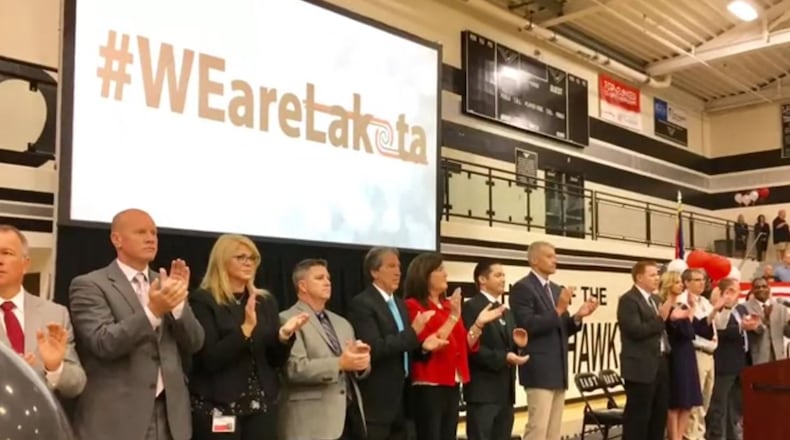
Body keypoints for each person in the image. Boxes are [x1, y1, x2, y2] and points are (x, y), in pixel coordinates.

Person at [68, 208, 205, 440]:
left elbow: (195, 342)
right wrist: (153, 312)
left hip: (170, 416)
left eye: (154, 233)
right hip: (118, 418)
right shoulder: (89, 285)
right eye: (141, 232)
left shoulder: (165, 283)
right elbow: (103, 343)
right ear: (117, 239)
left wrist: (178, 305)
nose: (151, 238)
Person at [188, 234, 310, 440]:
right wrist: (245, 329)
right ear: (222, 261)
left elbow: (275, 361)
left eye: (252, 258)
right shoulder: (203, 301)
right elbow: (210, 359)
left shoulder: (264, 301)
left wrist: (284, 336)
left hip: (262, 407)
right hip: (218, 407)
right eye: (240, 257)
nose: (248, 263)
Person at [403, 252, 505, 440]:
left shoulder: (448, 306)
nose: (446, 274)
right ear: (424, 274)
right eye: (440, 269)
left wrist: (478, 324)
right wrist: (453, 317)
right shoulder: (413, 305)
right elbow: (431, 342)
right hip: (429, 383)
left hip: (452, 382)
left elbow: (464, 344)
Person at [348, 247, 445, 440]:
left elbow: (405, 347)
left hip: (404, 400)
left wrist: (424, 348)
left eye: (399, 267)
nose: (398, 272)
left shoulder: (400, 304)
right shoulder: (362, 303)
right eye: (391, 266)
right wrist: (413, 333)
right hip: (378, 401)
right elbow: (374, 348)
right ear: (374, 272)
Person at [509, 241, 598, 440]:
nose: (554, 260)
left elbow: (562, 328)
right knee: (538, 428)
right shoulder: (523, 288)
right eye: (549, 256)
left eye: (555, 256)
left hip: (559, 368)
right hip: (539, 368)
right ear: (534, 260)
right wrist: (558, 310)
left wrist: (578, 317)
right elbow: (527, 326)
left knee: (554, 431)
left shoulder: (556, 289)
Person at [279, 258, 370, 440]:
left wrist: (361, 362)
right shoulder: (287, 319)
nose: (327, 282)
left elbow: (354, 369)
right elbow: (294, 369)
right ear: (302, 286)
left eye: (328, 278)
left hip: (349, 417)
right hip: (312, 422)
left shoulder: (342, 323)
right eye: (319, 278)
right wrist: (339, 364)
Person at [0, 224, 86, 398]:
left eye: (6, 253)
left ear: (25, 264)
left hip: (38, 413)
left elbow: (76, 385)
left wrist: (55, 367)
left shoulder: (55, 314)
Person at [462, 260, 529, 440]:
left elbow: (510, 347)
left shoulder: (506, 311)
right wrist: (504, 357)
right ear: (482, 279)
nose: (503, 279)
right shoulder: (471, 307)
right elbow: (472, 348)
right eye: (498, 275)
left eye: (504, 275)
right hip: (482, 392)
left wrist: (519, 346)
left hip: (505, 393)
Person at [617, 260, 672, 440]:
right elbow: (635, 331)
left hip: (660, 363)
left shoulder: (656, 300)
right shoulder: (629, 300)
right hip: (640, 367)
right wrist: (660, 320)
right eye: (652, 275)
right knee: (638, 418)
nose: (657, 278)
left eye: (658, 274)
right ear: (639, 277)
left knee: (659, 416)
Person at [706, 278, 758, 440]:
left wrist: (752, 325)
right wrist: (740, 327)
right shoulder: (718, 308)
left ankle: (732, 436)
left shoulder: (741, 309)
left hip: (740, 363)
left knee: (735, 405)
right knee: (719, 405)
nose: (737, 294)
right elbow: (718, 332)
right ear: (724, 292)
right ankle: (717, 436)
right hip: (724, 363)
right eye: (733, 291)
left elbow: (745, 328)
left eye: (738, 291)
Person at [660, 271, 701, 440]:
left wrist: (691, 307)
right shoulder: (666, 307)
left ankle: (680, 435)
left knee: (688, 402)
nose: (681, 285)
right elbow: (670, 326)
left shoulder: (681, 307)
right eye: (677, 282)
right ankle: (674, 437)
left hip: (687, 353)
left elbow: (690, 331)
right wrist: (680, 314)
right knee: (676, 402)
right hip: (675, 356)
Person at [681, 268, 720, 440]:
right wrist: (714, 310)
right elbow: (699, 328)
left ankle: (699, 434)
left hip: (710, 354)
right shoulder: (685, 301)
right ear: (686, 282)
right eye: (697, 280)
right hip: (696, 352)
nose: (702, 283)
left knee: (706, 399)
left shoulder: (705, 301)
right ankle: (691, 435)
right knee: (694, 401)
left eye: (703, 279)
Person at [744, 276, 790, 364]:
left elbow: (788, 334)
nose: (761, 289)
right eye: (757, 287)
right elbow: (755, 331)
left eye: (764, 286)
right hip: (758, 358)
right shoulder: (745, 308)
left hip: (778, 357)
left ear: (769, 288)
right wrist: (765, 319)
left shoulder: (780, 308)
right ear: (752, 290)